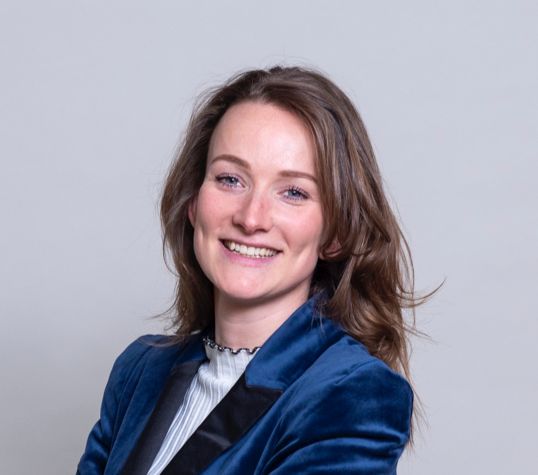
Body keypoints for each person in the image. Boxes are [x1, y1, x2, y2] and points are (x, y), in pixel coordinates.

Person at [77, 66, 424, 474]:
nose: (251, 217)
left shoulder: (353, 394)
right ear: (193, 203)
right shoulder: (139, 371)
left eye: (293, 192)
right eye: (230, 179)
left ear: (336, 233)